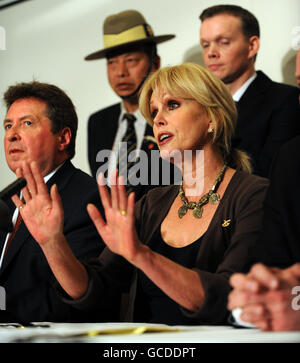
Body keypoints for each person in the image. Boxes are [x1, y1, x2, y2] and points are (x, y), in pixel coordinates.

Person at [13, 63, 269, 325]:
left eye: (172, 105)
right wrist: (52, 244)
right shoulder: (152, 204)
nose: (157, 120)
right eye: (154, 111)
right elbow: (93, 291)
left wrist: (141, 255)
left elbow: (229, 296)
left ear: (212, 118)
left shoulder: (253, 195)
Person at [0, 81, 105, 323]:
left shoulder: (90, 198)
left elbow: (82, 300)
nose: (12, 135)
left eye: (27, 123)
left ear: (63, 138)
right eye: (8, 125)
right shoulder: (4, 203)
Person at [86, 9, 179, 199]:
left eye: (131, 60)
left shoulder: (173, 116)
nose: (120, 71)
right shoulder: (98, 122)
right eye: (112, 63)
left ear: (155, 63)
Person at [199, 4, 300, 178]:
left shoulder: (284, 100)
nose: (211, 53)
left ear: (252, 46)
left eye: (223, 42)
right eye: (205, 45)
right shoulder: (199, 107)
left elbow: (271, 175)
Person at [228, 135, 300, 331]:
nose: (158, 120)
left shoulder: (248, 192)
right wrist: (255, 299)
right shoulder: (292, 157)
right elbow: (267, 268)